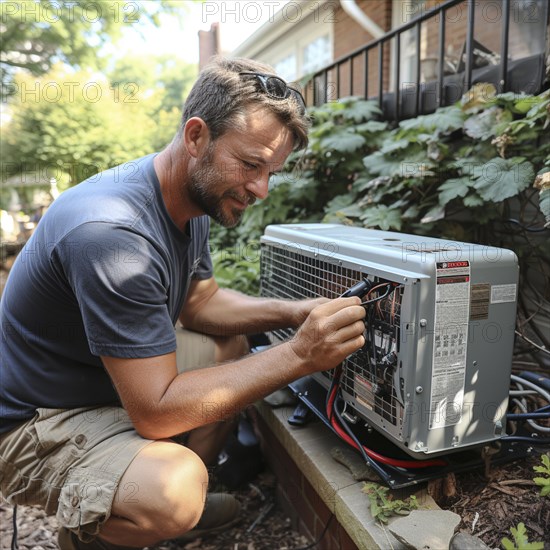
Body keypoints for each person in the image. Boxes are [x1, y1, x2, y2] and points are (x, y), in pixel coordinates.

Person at [0, 57, 367, 549]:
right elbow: (155, 410)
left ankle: (174, 488)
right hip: (37, 419)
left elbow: (202, 304)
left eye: (271, 173)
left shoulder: (188, 200)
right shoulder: (112, 234)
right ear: (196, 137)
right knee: (171, 492)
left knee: (228, 342)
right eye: (251, 164)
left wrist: (295, 311)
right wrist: (300, 353)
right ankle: (111, 523)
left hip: (99, 382)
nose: (260, 189)